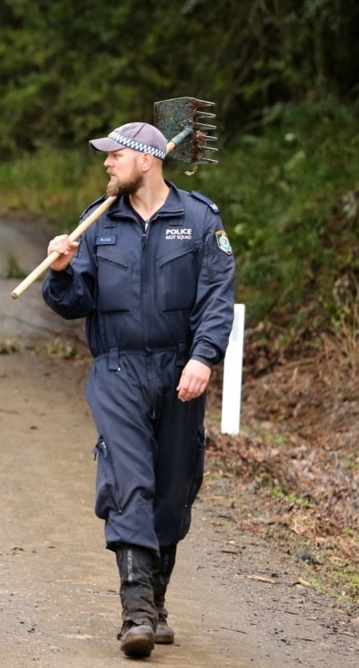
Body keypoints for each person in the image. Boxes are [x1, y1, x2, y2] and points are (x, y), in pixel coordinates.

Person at [40, 121, 235, 658]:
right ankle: (136, 612)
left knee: (173, 490)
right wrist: (60, 271)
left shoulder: (198, 219)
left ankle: (156, 598)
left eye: (115, 155)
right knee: (129, 480)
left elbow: (218, 295)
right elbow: (73, 300)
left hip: (179, 369)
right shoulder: (96, 223)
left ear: (147, 160)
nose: (106, 163)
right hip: (118, 369)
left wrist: (203, 357)